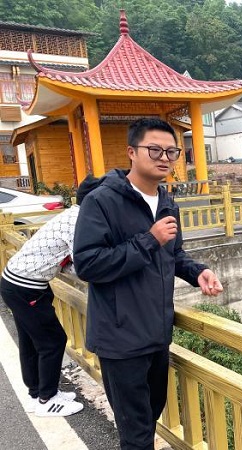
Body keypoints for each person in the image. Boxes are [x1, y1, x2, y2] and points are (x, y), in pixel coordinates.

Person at [73, 118, 223, 450]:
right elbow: (88, 264)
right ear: (132, 152)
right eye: (154, 150)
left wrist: (197, 272)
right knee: (137, 435)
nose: (164, 158)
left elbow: (174, 254)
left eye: (172, 151)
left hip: (157, 334)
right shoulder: (102, 201)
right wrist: (149, 240)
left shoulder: (167, 201)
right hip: (121, 340)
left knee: (149, 417)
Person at [0, 174, 102, 417]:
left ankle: (37, 393)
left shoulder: (72, 215)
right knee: (52, 341)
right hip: (26, 286)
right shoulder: (80, 222)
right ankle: (48, 399)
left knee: (31, 341)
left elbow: (67, 261)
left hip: (16, 281)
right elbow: (84, 265)